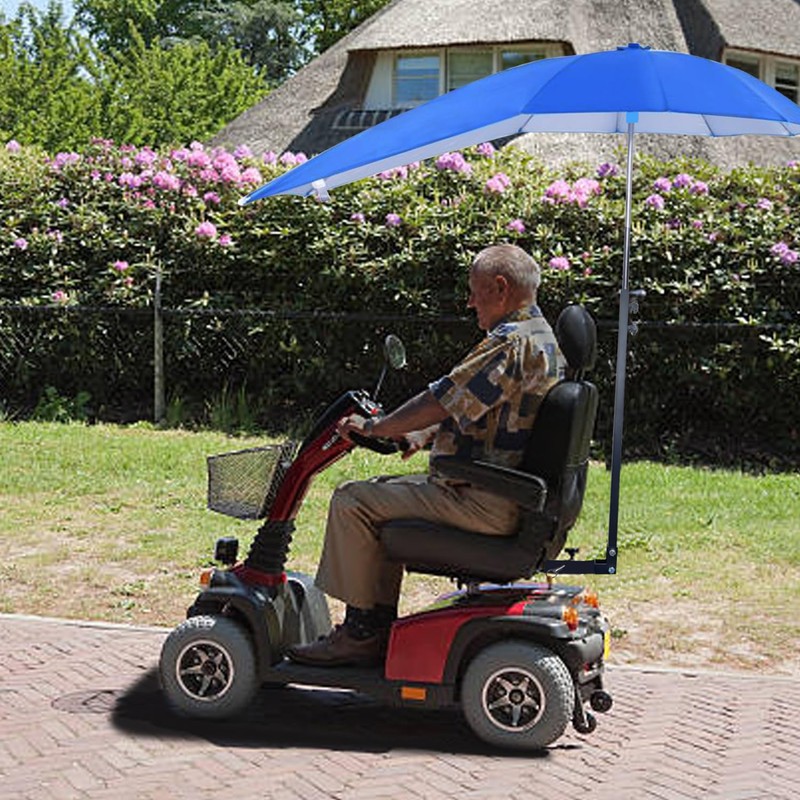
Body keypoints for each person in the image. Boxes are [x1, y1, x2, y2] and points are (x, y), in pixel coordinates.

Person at [287, 243, 565, 667]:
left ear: (500, 287)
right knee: (380, 499)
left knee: (353, 500)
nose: (470, 301)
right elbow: (479, 406)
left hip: (482, 500)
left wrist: (377, 427)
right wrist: (419, 434)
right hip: (506, 495)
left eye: (474, 291)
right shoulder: (542, 339)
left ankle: (362, 634)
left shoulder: (509, 343)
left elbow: (442, 397)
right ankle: (374, 628)